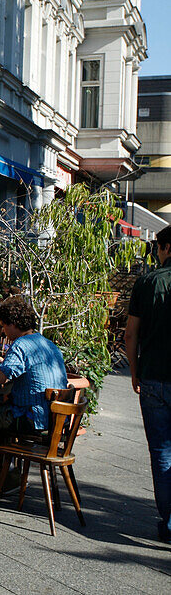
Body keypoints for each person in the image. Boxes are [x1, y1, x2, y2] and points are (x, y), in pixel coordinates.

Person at [124, 224, 171, 543]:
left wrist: (134, 371)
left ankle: (169, 521)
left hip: (154, 375)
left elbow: (130, 334)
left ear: (166, 248)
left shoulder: (147, 282)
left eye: (157, 246)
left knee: (162, 452)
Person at [0, 296, 68, 438]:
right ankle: (9, 455)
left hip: (32, 419)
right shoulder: (47, 343)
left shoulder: (20, 344)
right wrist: (5, 362)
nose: (3, 331)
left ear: (13, 324)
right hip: (55, 419)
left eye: (3, 325)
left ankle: (4, 456)